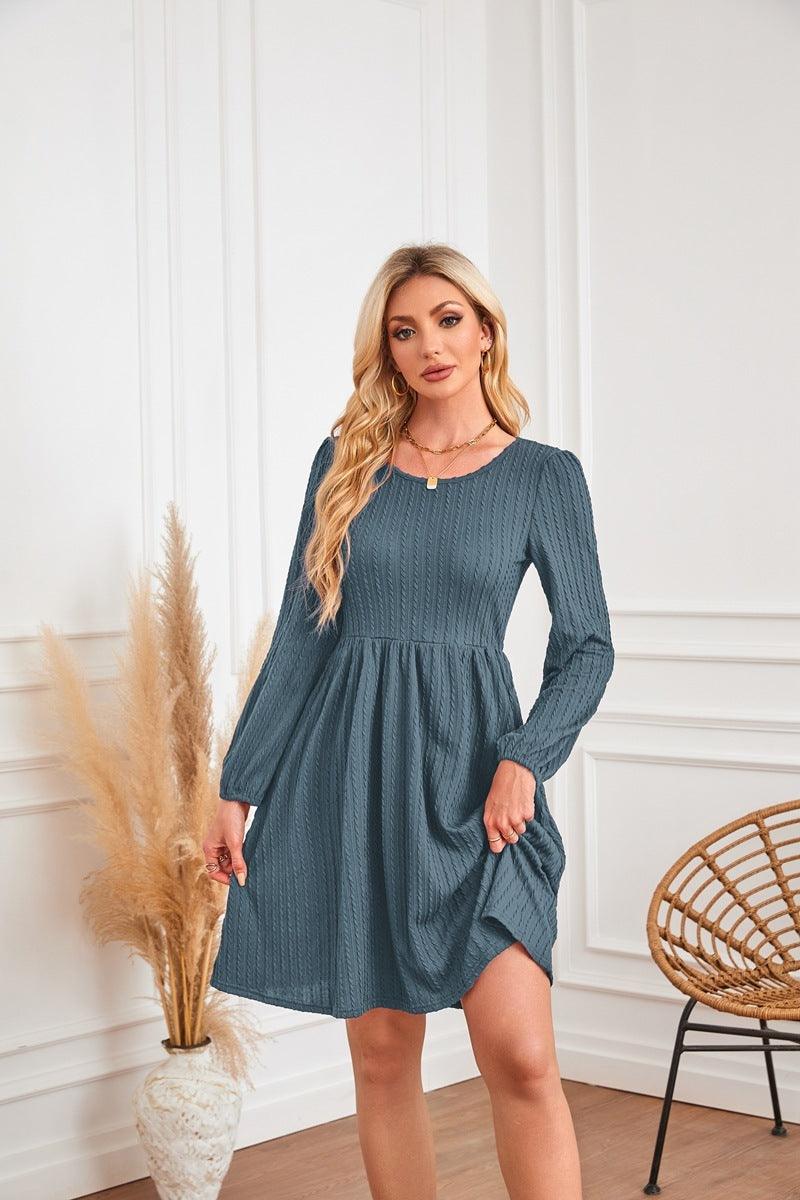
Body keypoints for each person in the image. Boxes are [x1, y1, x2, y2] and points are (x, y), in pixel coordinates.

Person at [202, 242, 614, 1200]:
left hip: (480, 782)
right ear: (385, 349)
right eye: (404, 330)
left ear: (485, 332)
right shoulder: (345, 466)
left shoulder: (543, 476)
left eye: (448, 320)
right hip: (352, 775)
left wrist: (526, 758)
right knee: (385, 1059)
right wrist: (238, 784)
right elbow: (302, 636)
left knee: (522, 1057)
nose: (429, 345)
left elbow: (587, 645)